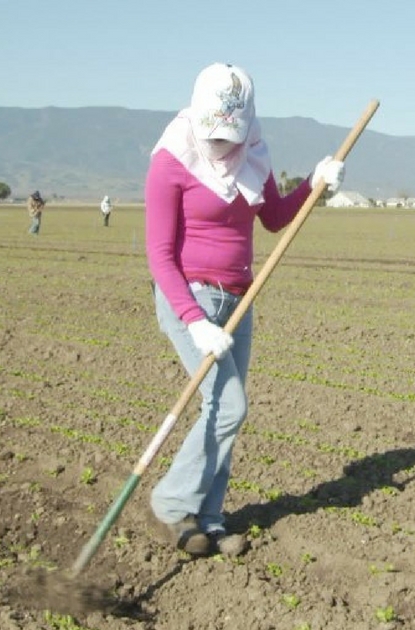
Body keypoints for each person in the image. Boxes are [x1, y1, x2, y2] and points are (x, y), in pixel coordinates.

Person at [144, 62, 345, 556]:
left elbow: (274, 216)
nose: (221, 147)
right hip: (189, 296)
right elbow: (159, 255)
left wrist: (315, 187)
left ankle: (208, 519)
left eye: (229, 137)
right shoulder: (172, 159)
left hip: (240, 297)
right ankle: (172, 503)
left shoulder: (253, 153)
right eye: (214, 137)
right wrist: (193, 321)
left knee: (223, 411)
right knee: (230, 405)